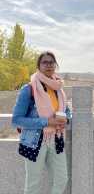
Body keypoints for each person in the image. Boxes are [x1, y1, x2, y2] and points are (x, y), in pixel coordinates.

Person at [12, 51, 71, 194]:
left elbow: (67, 110)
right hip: (34, 141)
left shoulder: (59, 89)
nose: (48, 65)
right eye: (45, 62)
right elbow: (17, 119)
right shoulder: (29, 89)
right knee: (33, 185)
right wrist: (46, 122)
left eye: (51, 62)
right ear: (38, 66)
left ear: (55, 65)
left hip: (56, 139)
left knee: (62, 179)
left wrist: (66, 119)